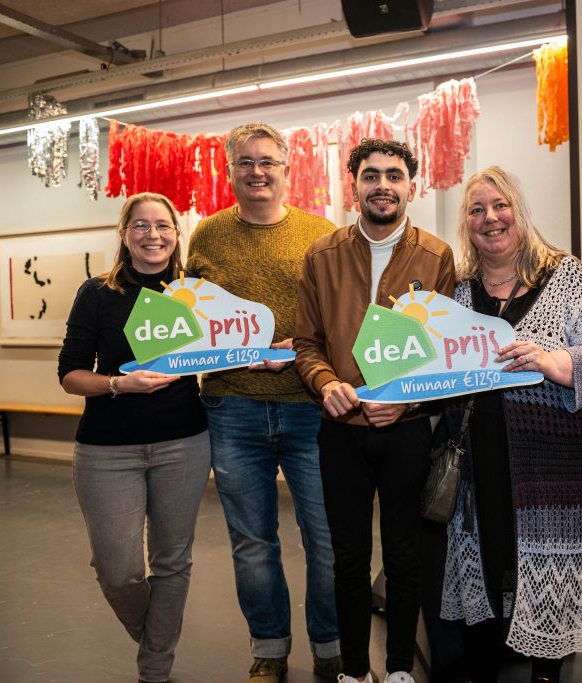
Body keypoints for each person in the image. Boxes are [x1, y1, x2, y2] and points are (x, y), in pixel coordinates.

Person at [439, 166, 582, 683]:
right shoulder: (458, 288)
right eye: (477, 210)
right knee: (484, 556)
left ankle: (546, 670)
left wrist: (549, 361)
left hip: (551, 459)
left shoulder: (565, 276)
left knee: (548, 563)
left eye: (500, 206)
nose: (490, 218)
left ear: (518, 212)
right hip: (478, 456)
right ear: (467, 224)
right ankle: (482, 667)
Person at [293, 138, 456, 683]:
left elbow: (447, 352)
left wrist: (409, 400)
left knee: (405, 557)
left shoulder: (437, 257)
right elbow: (306, 343)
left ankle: (401, 668)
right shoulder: (321, 256)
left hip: (407, 431)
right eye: (370, 175)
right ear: (354, 185)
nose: (382, 185)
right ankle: (356, 671)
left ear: (412, 186)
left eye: (393, 175)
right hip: (340, 429)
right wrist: (326, 384)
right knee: (347, 559)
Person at [185, 123, 341, 683]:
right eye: (245, 162)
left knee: (327, 539)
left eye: (267, 161)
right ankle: (270, 648)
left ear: (287, 169)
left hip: (309, 406)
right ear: (229, 171)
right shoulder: (206, 235)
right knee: (252, 543)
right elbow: (192, 316)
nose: (257, 171)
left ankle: (331, 646)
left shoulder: (321, 233)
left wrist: (296, 348)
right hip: (231, 408)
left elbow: (340, 318)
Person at [59, 192, 210, 683]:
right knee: (118, 572)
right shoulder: (97, 293)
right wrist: (119, 385)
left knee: (172, 561)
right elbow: (69, 374)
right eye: (141, 225)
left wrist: (267, 350)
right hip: (107, 449)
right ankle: (156, 634)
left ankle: (155, 667)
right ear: (124, 234)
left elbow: (228, 347)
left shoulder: (195, 292)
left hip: (184, 444)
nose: (153, 235)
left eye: (162, 225)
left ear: (176, 233)